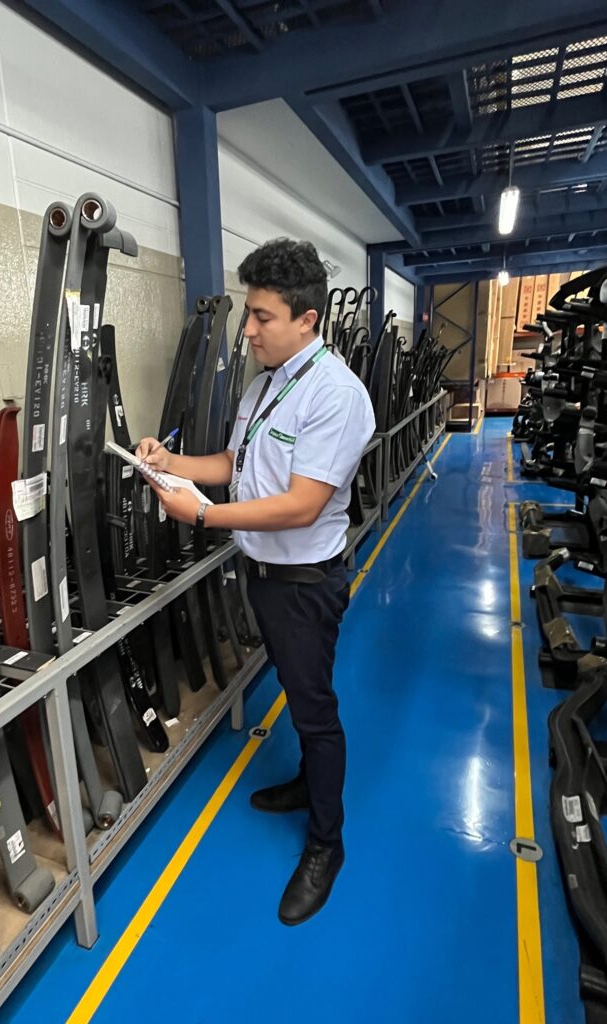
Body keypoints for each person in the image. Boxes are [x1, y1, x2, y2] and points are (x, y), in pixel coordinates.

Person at [136, 238, 375, 925]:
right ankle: (307, 783)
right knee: (300, 696)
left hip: (304, 583)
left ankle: (327, 844)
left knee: (314, 709)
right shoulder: (265, 384)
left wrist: (203, 515)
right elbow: (233, 462)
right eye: (249, 313)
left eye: (262, 316)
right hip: (264, 575)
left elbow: (301, 504)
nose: (248, 330)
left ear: (307, 319)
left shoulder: (336, 395)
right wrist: (171, 463)